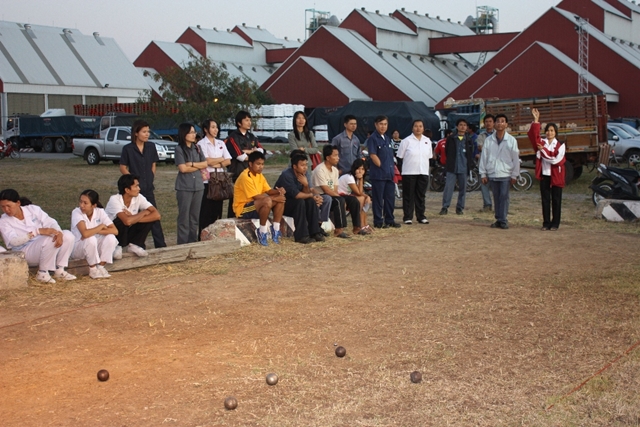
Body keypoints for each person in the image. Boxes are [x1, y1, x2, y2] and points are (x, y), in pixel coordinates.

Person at [0, 189, 76, 283]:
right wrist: (37, 232)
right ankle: (42, 273)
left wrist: (59, 233)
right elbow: (13, 241)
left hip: (43, 245)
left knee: (68, 235)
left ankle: (60, 270)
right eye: (3, 207)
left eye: (8, 206)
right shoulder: (3, 221)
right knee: (49, 239)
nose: (6, 210)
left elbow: (50, 221)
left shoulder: (33, 209)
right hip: (23, 251)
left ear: (18, 203)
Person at [119, 119, 166, 248]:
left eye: (148, 131)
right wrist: (131, 181)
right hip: (135, 191)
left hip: (148, 188)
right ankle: (137, 244)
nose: (147, 134)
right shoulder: (128, 149)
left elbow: (153, 164)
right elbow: (122, 167)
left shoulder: (151, 146)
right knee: (136, 217)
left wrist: (151, 176)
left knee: (154, 217)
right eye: (144, 132)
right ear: (136, 133)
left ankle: (160, 245)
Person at [233, 151, 285, 246]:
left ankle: (276, 230)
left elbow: (268, 191)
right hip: (243, 209)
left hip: (256, 205)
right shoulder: (245, 176)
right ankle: (262, 231)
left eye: (262, 164)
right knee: (268, 200)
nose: (261, 167)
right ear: (250, 164)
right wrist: (274, 198)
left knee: (281, 198)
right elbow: (256, 197)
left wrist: (279, 191)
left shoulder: (259, 175)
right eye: (258, 164)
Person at [479, 114, 520, 229]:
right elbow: (484, 157)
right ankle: (498, 219)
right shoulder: (488, 140)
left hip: (506, 173)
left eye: (502, 121)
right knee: (496, 197)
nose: (500, 123)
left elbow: (515, 159)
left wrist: (515, 174)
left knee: (504, 196)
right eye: (498, 121)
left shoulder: (511, 140)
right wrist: (483, 173)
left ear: (506, 124)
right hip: (493, 172)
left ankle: (503, 219)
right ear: (495, 124)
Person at [274, 153, 326, 243]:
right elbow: (297, 195)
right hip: (282, 204)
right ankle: (301, 236)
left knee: (310, 201)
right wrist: (312, 195)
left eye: (306, 165)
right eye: (302, 165)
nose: (305, 167)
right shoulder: (287, 175)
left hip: (295, 202)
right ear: (294, 166)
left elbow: (306, 193)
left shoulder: (304, 174)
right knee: (300, 201)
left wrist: (305, 185)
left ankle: (314, 232)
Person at [105, 174, 162, 257]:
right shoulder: (114, 199)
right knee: (121, 220)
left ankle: (134, 244)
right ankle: (117, 246)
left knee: (150, 219)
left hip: (128, 231)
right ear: (127, 190)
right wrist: (143, 213)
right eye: (136, 186)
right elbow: (127, 221)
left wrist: (133, 217)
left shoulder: (139, 197)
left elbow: (157, 215)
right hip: (112, 234)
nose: (139, 189)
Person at [528, 108, 566, 231]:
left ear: (555, 132)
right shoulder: (542, 142)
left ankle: (555, 224)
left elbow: (554, 159)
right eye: (547, 130)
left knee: (556, 200)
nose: (549, 133)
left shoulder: (560, 145)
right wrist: (536, 120)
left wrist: (543, 151)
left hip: (556, 176)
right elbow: (533, 136)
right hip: (544, 174)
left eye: (552, 130)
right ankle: (546, 223)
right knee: (545, 200)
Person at [312, 144, 360, 238]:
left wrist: (340, 197)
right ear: (328, 157)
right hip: (321, 195)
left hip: (332, 194)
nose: (338, 158)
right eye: (335, 155)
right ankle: (338, 230)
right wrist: (340, 198)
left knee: (353, 200)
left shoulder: (335, 170)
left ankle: (357, 227)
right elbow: (326, 190)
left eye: (338, 155)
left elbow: (335, 189)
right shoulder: (320, 170)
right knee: (339, 201)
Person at [70, 190, 119, 279]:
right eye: (81, 202)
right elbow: (85, 234)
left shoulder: (100, 212)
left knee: (111, 238)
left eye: (85, 203)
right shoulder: (76, 212)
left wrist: (95, 231)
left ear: (94, 205)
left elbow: (115, 231)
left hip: (94, 246)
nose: (81, 205)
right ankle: (92, 269)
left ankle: (101, 267)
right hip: (78, 248)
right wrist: (100, 227)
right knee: (90, 239)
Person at [225, 110, 264, 218]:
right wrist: (252, 152)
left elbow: (261, 151)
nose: (249, 122)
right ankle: (232, 219)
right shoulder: (233, 137)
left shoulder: (251, 136)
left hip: (251, 172)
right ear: (239, 123)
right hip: (238, 172)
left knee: (251, 197)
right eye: (246, 120)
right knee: (237, 198)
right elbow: (240, 156)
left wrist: (248, 152)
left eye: (250, 120)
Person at [175, 123, 208, 244]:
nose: (194, 135)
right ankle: (182, 243)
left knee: (194, 217)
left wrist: (192, 164)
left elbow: (205, 164)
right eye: (191, 132)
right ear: (184, 134)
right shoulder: (179, 149)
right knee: (184, 217)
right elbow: (183, 169)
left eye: (194, 132)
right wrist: (197, 166)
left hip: (198, 186)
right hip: (185, 186)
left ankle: (192, 241)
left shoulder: (197, 148)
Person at [198, 119, 232, 235]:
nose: (215, 130)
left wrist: (218, 163)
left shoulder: (221, 143)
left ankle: (215, 234)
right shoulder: (201, 144)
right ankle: (203, 234)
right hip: (207, 180)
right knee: (206, 210)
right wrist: (221, 160)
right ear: (205, 129)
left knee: (217, 209)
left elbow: (228, 160)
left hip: (220, 180)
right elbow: (206, 161)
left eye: (216, 127)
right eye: (212, 127)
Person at [366, 116, 401, 228]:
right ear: (376, 125)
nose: (383, 126)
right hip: (379, 174)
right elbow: (373, 155)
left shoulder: (387, 138)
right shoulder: (373, 138)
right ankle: (378, 221)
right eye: (381, 124)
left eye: (385, 124)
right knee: (378, 199)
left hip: (389, 174)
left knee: (390, 198)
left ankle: (389, 219)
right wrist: (381, 166)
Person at [396, 119, 432, 224]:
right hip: (409, 172)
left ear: (423, 128)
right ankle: (407, 217)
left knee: (421, 195)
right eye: (416, 126)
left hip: (423, 171)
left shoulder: (427, 141)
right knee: (408, 195)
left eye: (420, 126)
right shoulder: (406, 141)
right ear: (412, 128)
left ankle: (421, 216)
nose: (418, 128)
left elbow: (429, 156)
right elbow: (400, 156)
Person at [440, 119, 475, 215]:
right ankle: (445, 207)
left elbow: (470, 153)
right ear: (457, 126)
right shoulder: (451, 138)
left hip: (464, 167)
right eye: (460, 125)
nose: (462, 127)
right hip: (452, 167)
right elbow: (447, 151)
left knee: (463, 189)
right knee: (448, 188)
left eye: (464, 125)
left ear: (467, 127)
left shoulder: (468, 140)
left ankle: (460, 208)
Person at [337, 158, 372, 234]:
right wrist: (361, 179)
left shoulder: (356, 178)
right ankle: (360, 225)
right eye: (358, 168)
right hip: (339, 195)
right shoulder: (349, 177)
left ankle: (364, 224)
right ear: (354, 168)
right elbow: (359, 193)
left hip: (347, 196)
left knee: (364, 199)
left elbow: (360, 192)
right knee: (361, 199)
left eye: (362, 169)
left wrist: (367, 196)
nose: (360, 171)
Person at [476, 115, 496, 212]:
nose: (488, 123)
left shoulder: (498, 134)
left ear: (494, 123)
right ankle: (487, 205)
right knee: (484, 186)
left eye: (490, 121)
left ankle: (498, 206)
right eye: (486, 121)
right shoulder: (481, 136)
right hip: (483, 164)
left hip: (495, 165)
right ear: (484, 123)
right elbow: (480, 148)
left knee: (496, 187)